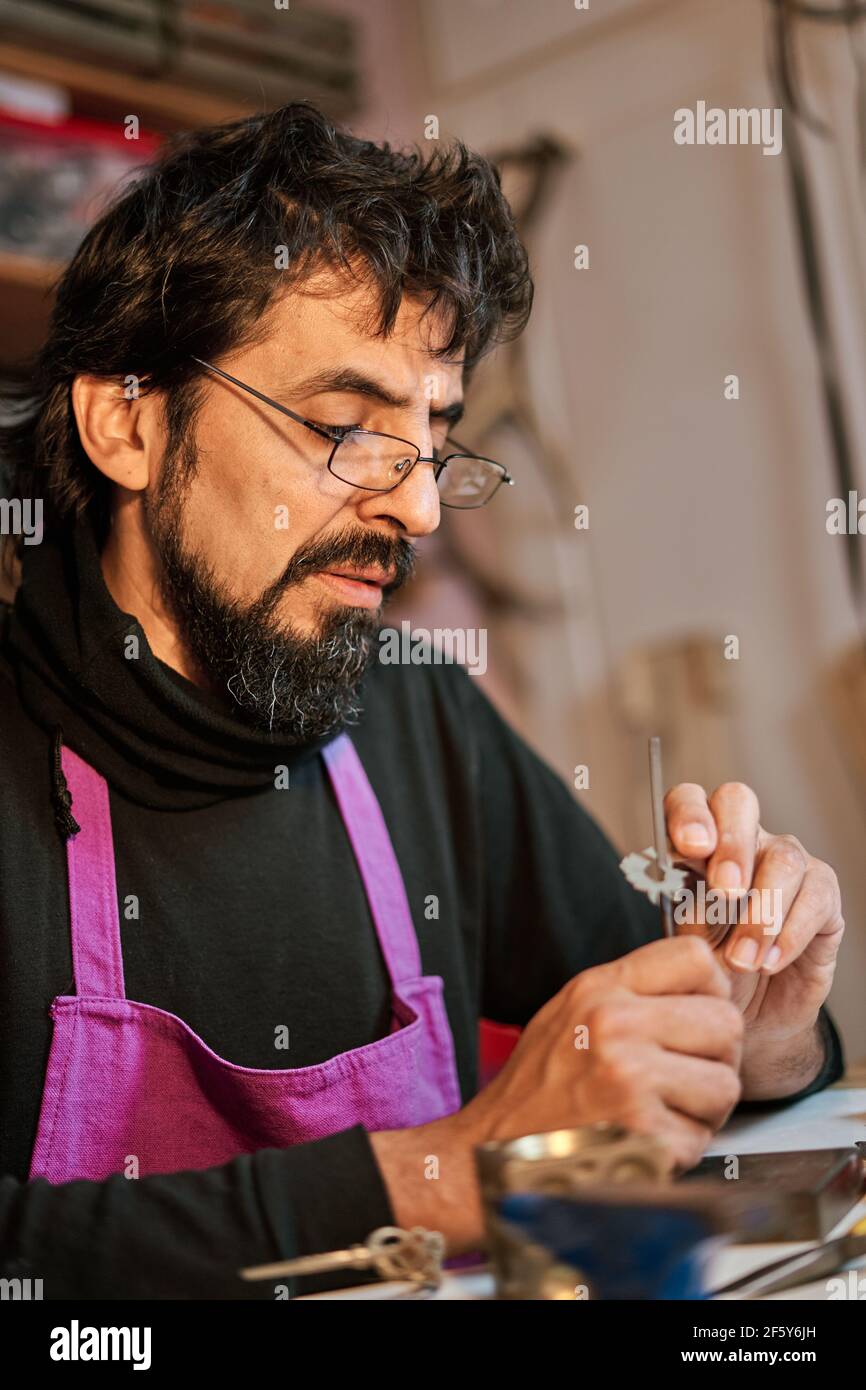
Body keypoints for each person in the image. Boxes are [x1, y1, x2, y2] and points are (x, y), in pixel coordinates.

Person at [0, 103, 844, 1298]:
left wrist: (754, 1038)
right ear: (128, 421)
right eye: (346, 428)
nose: (420, 511)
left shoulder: (413, 717)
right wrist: (436, 1175)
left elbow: (649, 1062)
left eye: (431, 440)